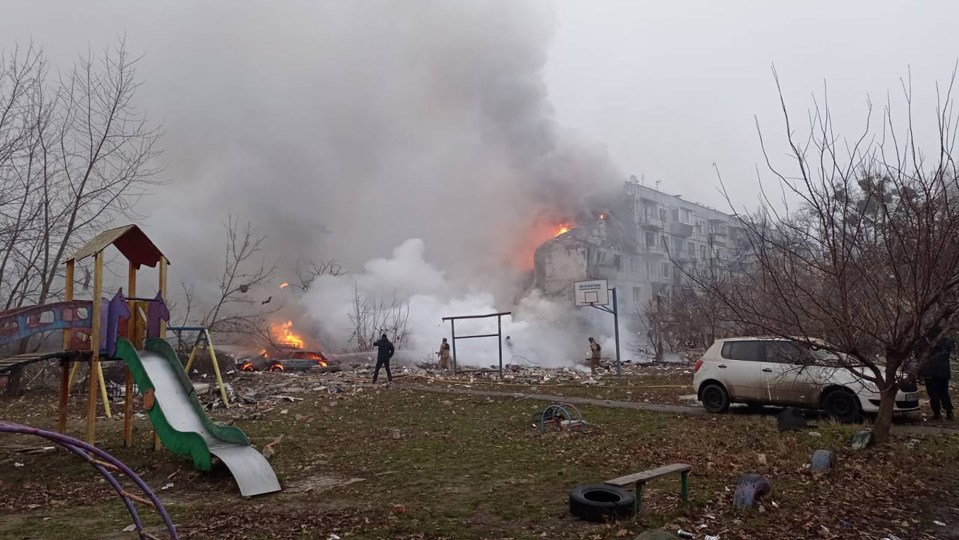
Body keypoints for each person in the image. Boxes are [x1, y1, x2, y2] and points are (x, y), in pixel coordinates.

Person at [921, 328, 954, 421]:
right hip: (944, 372)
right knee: (944, 392)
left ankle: (937, 414)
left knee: (933, 393)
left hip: (930, 371)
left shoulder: (924, 342)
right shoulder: (946, 341)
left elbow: (918, 355)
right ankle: (949, 412)